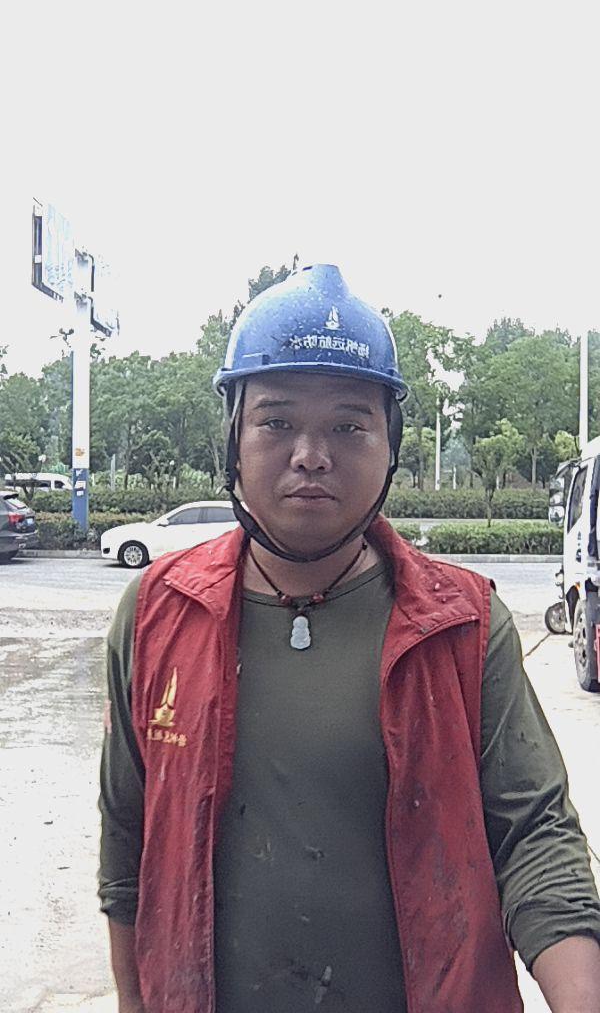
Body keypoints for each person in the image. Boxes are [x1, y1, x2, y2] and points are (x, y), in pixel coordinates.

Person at [99, 264, 600, 1013]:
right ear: (232, 438)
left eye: (348, 425)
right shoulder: (155, 613)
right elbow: (127, 849)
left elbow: (535, 836)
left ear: (390, 445)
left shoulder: (464, 626)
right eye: (276, 422)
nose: (311, 454)